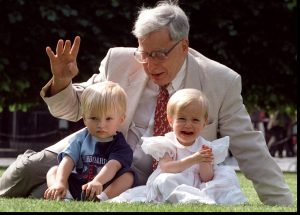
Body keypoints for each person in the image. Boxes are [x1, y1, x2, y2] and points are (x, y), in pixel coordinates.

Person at [0, 0, 293, 206]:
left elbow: (250, 147)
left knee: (42, 193)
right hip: (95, 150)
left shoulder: (221, 81)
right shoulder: (119, 60)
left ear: (184, 46)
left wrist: (281, 204)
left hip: (141, 182)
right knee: (27, 169)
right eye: (144, 53)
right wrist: (62, 82)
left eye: (159, 54)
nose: (149, 63)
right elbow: (74, 108)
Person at [107, 89, 249, 205]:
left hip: (197, 184)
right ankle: (188, 198)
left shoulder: (205, 146)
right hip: (174, 181)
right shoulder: (167, 144)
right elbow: (166, 168)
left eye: (195, 120)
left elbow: (206, 178)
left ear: (204, 124)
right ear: (170, 121)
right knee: (165, 180)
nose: (188, 125)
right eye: (182, 119)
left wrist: (204, 162)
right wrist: (194, 159)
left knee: (227, 173)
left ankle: (202, 197)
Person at [44, 81, 138, 201]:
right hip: (78, 184)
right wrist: (61, 182)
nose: (101, 125)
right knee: (54, 171)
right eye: (94, 118)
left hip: (103, 186)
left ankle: (101, 199)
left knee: (129, 176)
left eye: (108, 118)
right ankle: (64, 196)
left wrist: (97, 182)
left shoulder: (119, 144)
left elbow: (112, 166)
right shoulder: (81, 138)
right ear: (84, 119)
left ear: (121, 120)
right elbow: (68, 160)